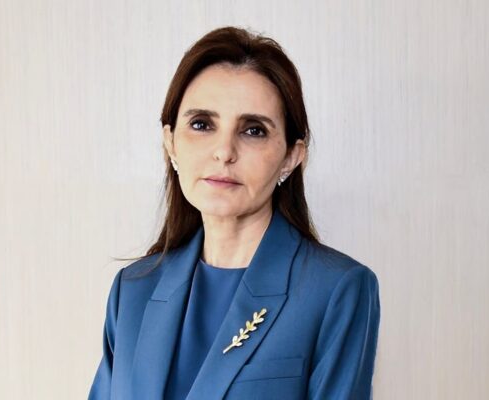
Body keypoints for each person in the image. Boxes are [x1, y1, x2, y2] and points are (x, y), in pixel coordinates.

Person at [87, 26, 380, 400]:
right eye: (201, 124)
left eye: (253, 130)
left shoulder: (337, 290)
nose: (224, 151)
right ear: (171, 143)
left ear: (291, 156)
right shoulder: (132, 289)